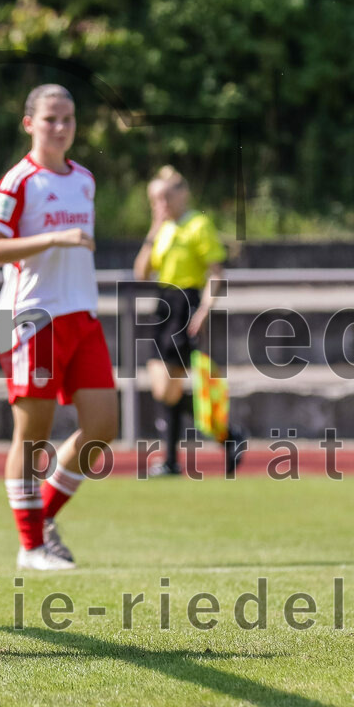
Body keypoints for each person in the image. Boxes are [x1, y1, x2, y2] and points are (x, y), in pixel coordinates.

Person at [0, 84, 118, 571]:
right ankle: (32, 547)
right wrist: (55, 236)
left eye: (68, 119)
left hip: (82, 315)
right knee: (32, 437)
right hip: (29, 318)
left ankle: (41, 522)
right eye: (51, 119)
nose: (61, 128)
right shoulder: (20, 180)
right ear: (29, 124)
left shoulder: (84, 179)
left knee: (103, 427)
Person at [132, 166, 246, 476]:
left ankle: (175, 458)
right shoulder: (162, 229)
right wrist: (152, 233)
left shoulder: (198, 224)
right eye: (155, 200)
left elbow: (216, 272)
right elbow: (140, 273)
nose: (161, 205)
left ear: (182, 194)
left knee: (172, 386)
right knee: (163, 389)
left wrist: (204, 310)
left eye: (165, 197)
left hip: (186, 304)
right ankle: (226, 435)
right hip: (163, 305)